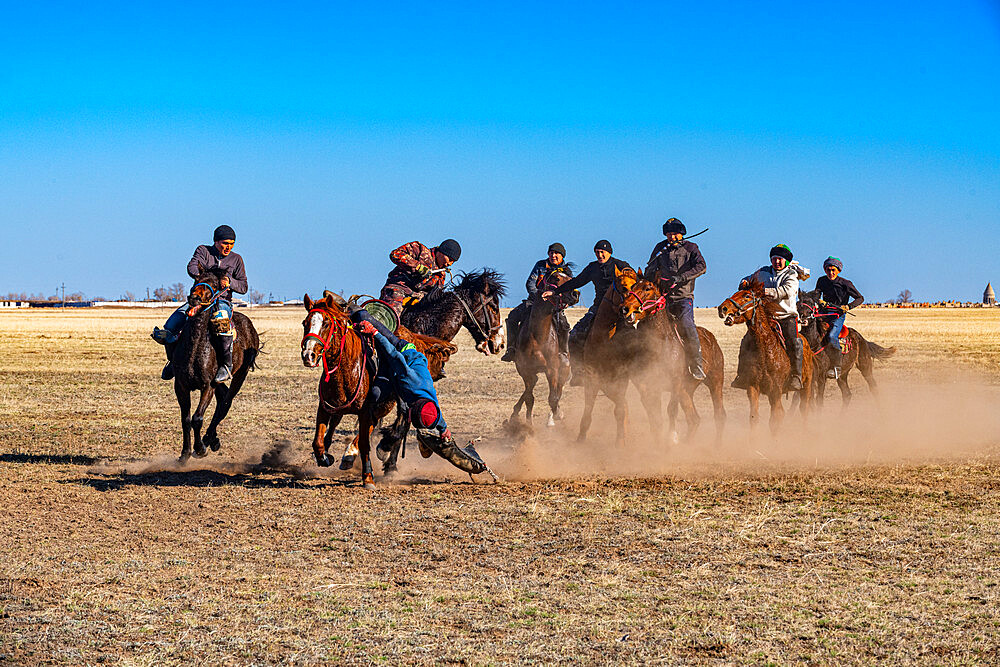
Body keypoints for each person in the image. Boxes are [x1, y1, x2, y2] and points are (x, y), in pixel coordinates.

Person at [349, 308, 488, 475]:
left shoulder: (430, 401)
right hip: (400, 349)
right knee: (363, 317)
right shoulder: (410, 381)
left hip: (399, 369)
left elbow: (437, 414)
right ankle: (352, 311)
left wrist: (444, 430)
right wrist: (375, 333)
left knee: (375, 395)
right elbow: (393, 355)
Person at [151, 224, 247, 383]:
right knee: (171, 325)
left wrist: (230, 282)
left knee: (222, 323)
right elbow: (192, 267)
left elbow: (243, 286)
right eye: (225, 243)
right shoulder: (203, 251)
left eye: (231, 243)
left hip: (221, 302)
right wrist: (207, 277)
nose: (228, 246)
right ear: (216, 242)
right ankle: (172, 362)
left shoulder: (237, 259)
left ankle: (226, 365)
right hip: (199, 300)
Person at [542, 240, 632, 386]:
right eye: (597, 252)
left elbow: (633, 280)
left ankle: (639, 369)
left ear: (610, 252)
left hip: (620, 309)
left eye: (603, 252)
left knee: (635, 335)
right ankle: (579, 373)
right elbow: (576, 282)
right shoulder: (593, 268)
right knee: (575, 335)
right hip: (599, 308)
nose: (600, 254)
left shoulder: (621, 265)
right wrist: (555, 291)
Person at [732, 243, 803, 391]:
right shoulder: (763, 271)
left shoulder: (791, 275)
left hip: (786, 317)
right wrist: (744, 282)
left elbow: (786, 291)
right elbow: (747, 279)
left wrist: (764, 291)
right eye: (774, 258)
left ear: (787, 261)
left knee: (794, 342)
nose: (777, 261)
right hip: (766, 317)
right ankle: (741, 375)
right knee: (746, 341)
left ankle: (796, 376)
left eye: (780, 259)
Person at [644, 218, 708, 380]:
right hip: (663, 298)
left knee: (687, 325)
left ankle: (696, 363)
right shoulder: (660, 248)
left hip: (683, 298)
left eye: (674, 234)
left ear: (681, 234)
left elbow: (702, 266)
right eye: (668, 234)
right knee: (645, 323)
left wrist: (681, 278)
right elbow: (650, 268)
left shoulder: (691, 248)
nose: (671, 237)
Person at [500, 242, 576, 363]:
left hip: (554, 306)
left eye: (557, 253)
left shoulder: (566, 271)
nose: (553, 255)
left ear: (562, 256)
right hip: (534, 302)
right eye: (551, 253)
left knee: (564, 325)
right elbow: (530, 283)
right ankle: (511, 349)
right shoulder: (540, 265)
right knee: (513, 317)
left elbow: (570, 290)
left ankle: (563, 353)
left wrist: (565, 302)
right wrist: (539, 298)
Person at [379, 239, 461, 316]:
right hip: (398, 289)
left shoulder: (441, 274)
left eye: (453, 261)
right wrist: (417, 266)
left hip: (418, 298)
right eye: (449, 259)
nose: (450, 264)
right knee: (393, 314)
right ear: (441, 252)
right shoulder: (419, 250)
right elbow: (395, 254)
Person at [814, 256, 864, 379]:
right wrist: (819, 301)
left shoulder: (846, 283)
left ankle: (836, 366)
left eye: (833, 270)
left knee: (831, 336)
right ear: (825, 270)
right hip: (823, 314)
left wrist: (848, 306)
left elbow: (860, 298)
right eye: (828, 270)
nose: (830, 273)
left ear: (838, 271)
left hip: (838, 316)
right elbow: (816, 295)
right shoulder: (821, 281)